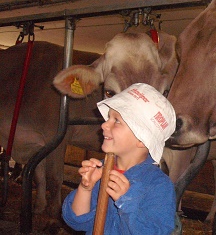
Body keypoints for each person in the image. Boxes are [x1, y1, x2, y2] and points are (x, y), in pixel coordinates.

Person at [62, 83, 177, 234]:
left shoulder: (158, 185)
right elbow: (77, 221)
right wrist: (85, 189)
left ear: (142, 138)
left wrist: (127, 202)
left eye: (116, 121)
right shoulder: (102, 171)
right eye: (109, 117)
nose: (104, 125)